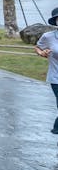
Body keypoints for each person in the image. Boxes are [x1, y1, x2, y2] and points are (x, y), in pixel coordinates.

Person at [34, 8, 58, 136]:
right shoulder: (48, 36)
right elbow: (37, 47)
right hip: (56, 77)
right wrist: (42, 53)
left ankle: (56, 127)